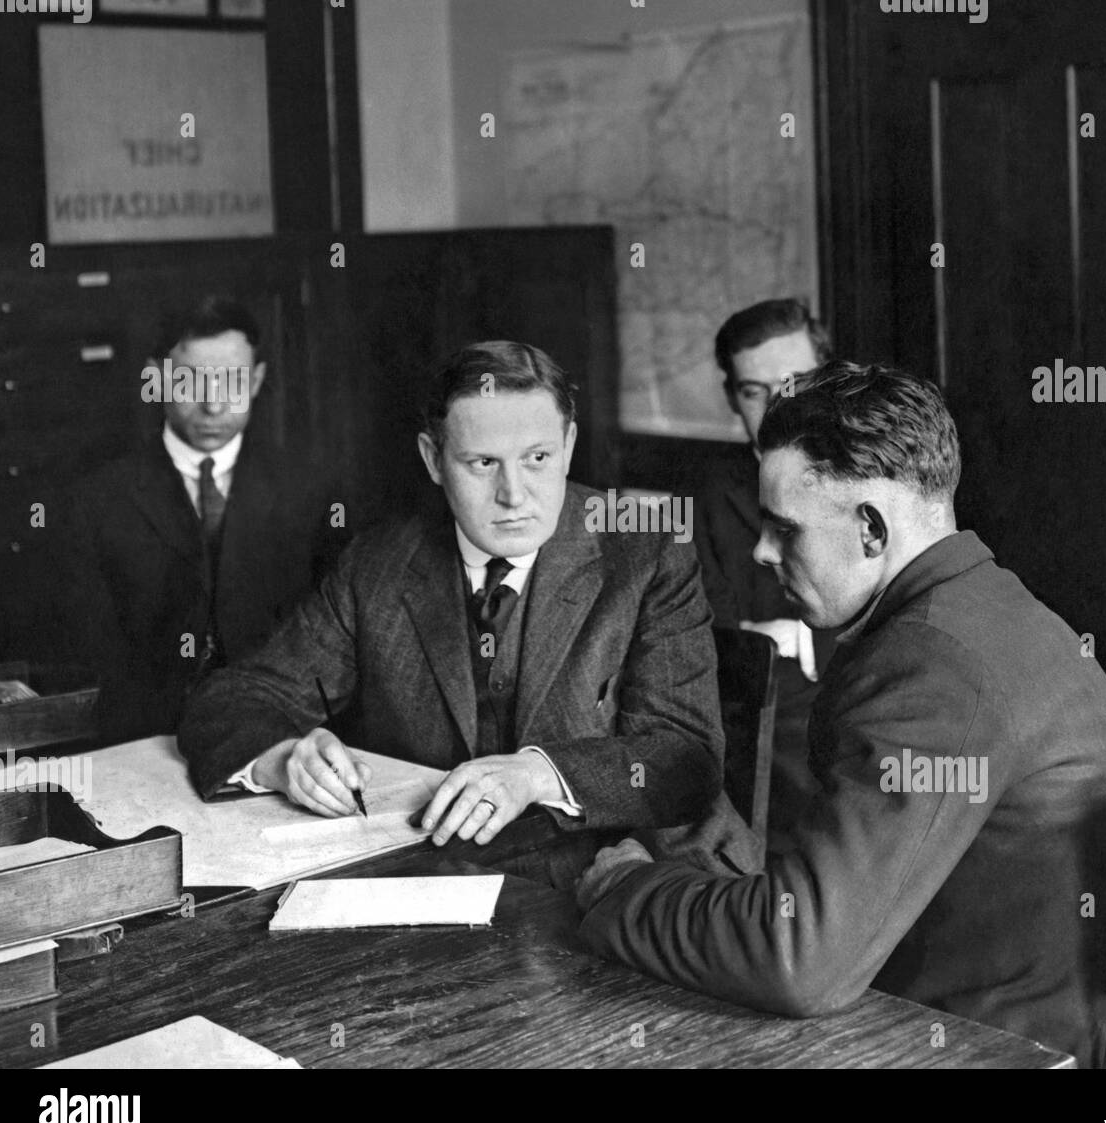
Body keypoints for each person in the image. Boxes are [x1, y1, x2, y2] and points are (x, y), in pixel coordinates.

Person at [577, 360, 1106, 1067]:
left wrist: (626, 890)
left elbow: (802, 960)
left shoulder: (934, 672)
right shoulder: (983, 604)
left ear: (873, 531)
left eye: (786, 530)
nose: (763, 551)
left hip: (1028, 1047)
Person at [178, 341, 756, 888]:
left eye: (537, 458)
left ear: (569, 444)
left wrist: (536, 775)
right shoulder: (378, 562)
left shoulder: (646, 549)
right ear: (433, 459)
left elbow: (685, 757)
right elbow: (235, 697)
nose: (514, 494)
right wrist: (283, 759)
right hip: (446, 884)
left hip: (628, 875)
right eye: (483, 463)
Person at [55, 296, 343, 743]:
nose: (212, 405)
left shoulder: (309, 492)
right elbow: (89, 656)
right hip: (140, 745)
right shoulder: (96, 499)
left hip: (281, 739)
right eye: (190, 383)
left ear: (257, 380)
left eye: (231, 381)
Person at [695, 298, 833, 843]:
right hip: (766, 719)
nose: (778, 406)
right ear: (733, 397)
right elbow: (707, 639)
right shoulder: (705, 499)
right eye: (754, 391)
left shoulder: (882, 478)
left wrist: (791, 637)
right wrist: (767, 639)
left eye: (795, 384)